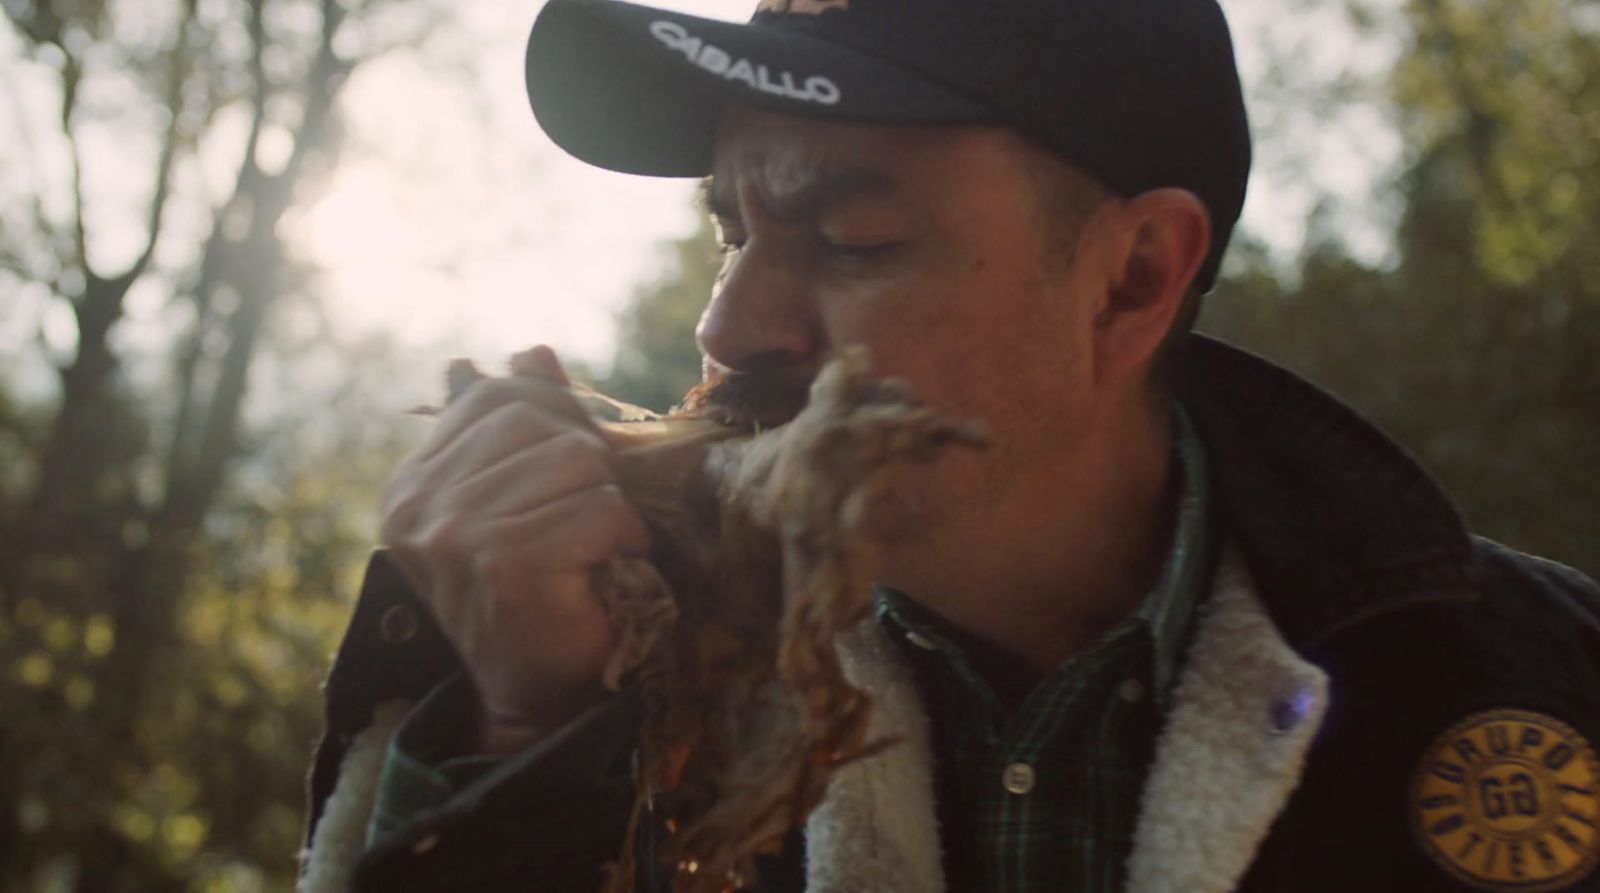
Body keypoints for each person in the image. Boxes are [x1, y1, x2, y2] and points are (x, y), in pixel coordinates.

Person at [299, 0, 1600, 891]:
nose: (728, 320)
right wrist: (527, 732)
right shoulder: (616, 664)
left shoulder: (1541, 689)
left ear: (1132, 280)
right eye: (727, 231)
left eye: (853, 240)